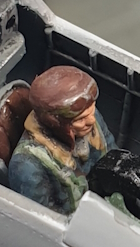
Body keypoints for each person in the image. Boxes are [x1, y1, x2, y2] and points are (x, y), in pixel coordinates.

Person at [6, 65, 112, 215]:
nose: (91, 120)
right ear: (57, 123)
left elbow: (111, 151)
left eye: (92, 110)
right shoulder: (27, 165)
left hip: (103, 197)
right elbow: (43, 217)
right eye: (80, 119)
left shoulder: (88, 117)